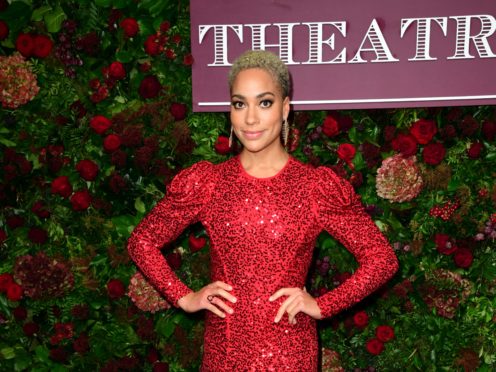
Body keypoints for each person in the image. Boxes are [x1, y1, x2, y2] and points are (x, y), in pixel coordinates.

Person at [127, 50, 399, 371]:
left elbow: (382, 260)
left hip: (290, 353)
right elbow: (141, 242)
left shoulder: (314, 187)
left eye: (265, 102)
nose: (250, 118)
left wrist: (323, 305)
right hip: (224, 351)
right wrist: (185, 297)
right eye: (240, 104)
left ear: (285, 109)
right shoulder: (209, 182)